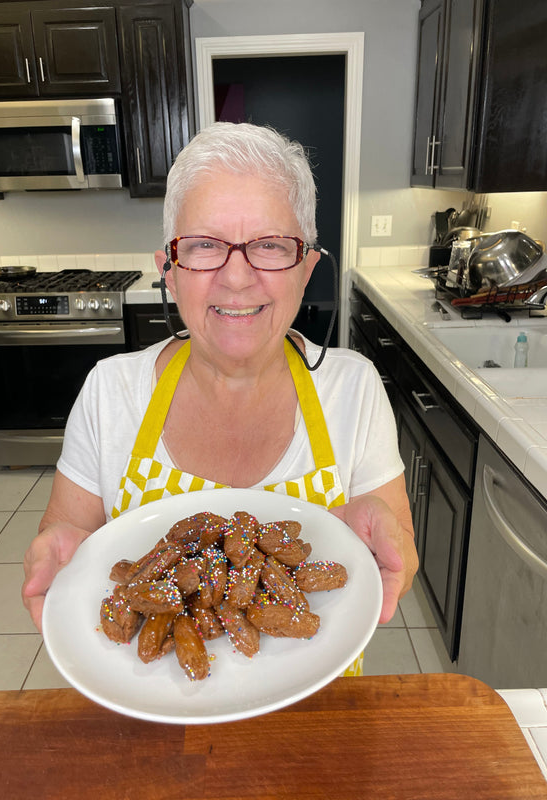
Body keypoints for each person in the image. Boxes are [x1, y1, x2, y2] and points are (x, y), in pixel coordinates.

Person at [22, 122, 418, 675]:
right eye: (205, 245)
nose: (236, 277)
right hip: (150, 716)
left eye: (270, 245)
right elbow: (66, 537)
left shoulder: (354, 388)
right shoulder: (110, 391)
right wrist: (57, 552)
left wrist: (386, 539)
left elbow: (398, 544)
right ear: (169, 270)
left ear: (306, 270)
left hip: (321, 717)